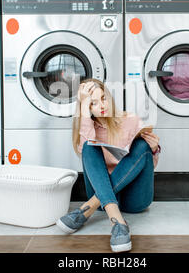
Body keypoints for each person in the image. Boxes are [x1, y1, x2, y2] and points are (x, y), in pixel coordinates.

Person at [56, 78, 161, 252]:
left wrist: (154, 149)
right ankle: (118, 222)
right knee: (89, 145)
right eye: (92, 104)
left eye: (103, 98)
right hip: (104, 194)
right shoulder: (88, 127)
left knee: (142, 146)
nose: (101, 105)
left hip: (134, 199)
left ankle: (86, 210)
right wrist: (83, 105)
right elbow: (85, 146)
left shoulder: (130, 120)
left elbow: (147, 166)